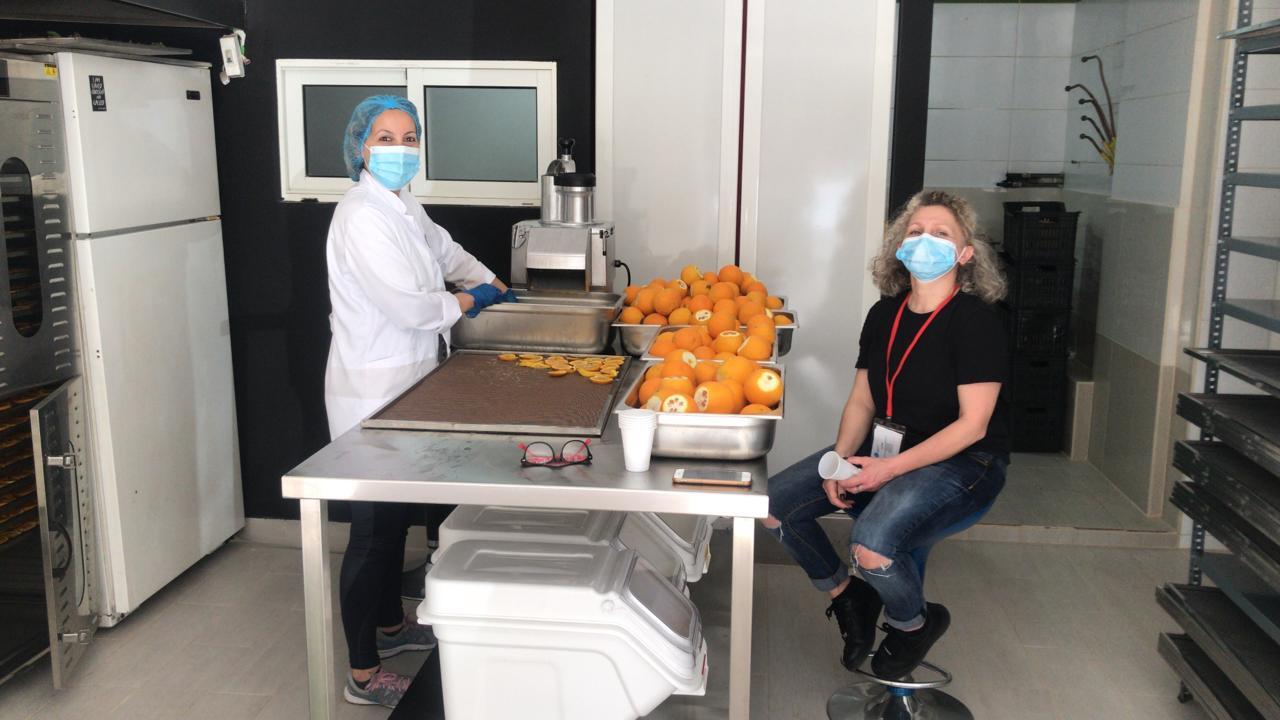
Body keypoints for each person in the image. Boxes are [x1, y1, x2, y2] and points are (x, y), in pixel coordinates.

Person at [763, 190, 1009, 680]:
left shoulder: (977, 322)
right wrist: (839, 459)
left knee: (871, 545)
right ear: (899, 247)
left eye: (942, 234)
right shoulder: (884, 315)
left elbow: (973, 425)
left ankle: (913, 623)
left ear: (965, 254)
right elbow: (862, 400)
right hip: (882, 450)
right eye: (915, 232)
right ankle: (848, 597)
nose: (925, 241)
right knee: (772, 506)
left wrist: (888, 470)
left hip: (963, 464)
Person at [324, 95, 513, 708]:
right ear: (360, 147)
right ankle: (360, 673)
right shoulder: (358, 217)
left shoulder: (405, 206)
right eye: (386, 138)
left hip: (409, 386)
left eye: (409, 139)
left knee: (394, 521)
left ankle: (389, 627)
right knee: (373, 532)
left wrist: (491, 280)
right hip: (371, 393)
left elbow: (445, 251)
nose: (399, 150)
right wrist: (469, 303)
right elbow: (407, 305)